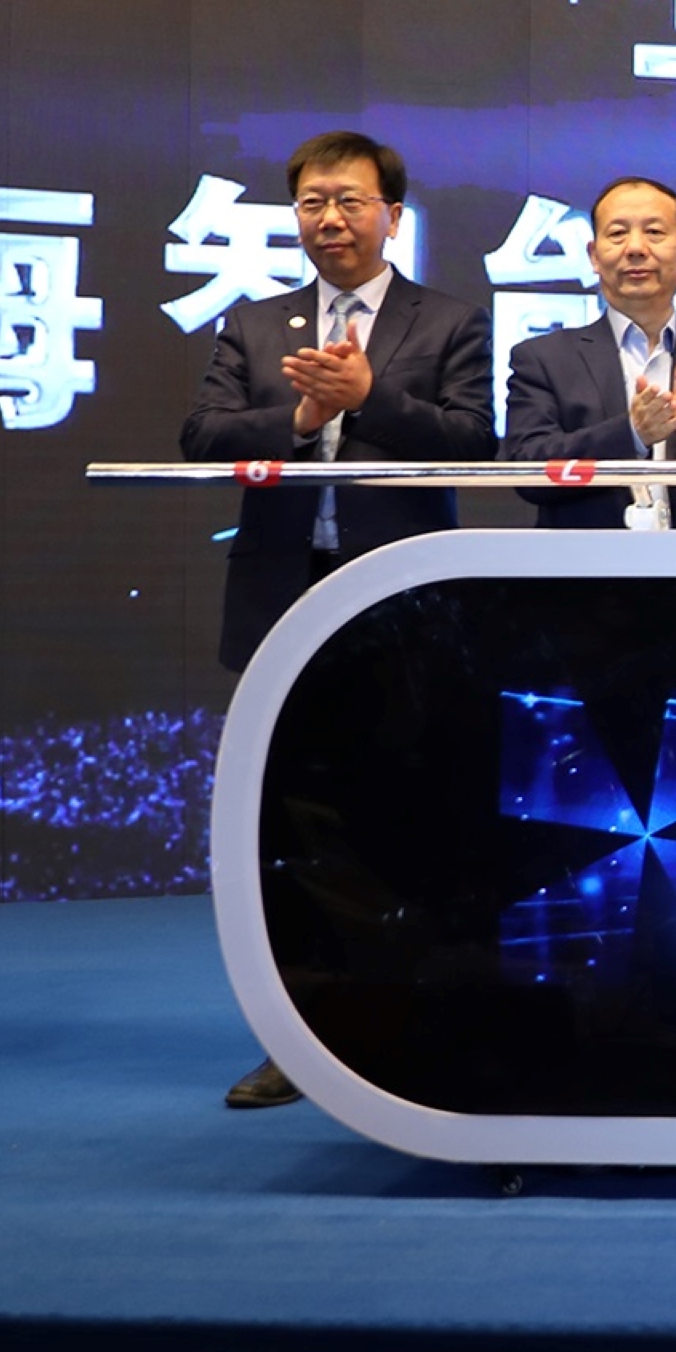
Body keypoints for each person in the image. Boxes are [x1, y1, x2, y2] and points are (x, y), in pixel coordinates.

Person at [176, 128, 492, 1109]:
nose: (330, 219)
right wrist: (301, 422)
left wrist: (371, 399)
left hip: (398, 599)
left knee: (402, 810)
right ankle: (301, 1038)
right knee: (292, 822)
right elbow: (201, 436)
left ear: (392, 213)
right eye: (313, 202)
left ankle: (413, 1023)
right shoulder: (254, 323)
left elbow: (474, 443)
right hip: (284, 595)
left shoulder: (449, 320)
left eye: (350, 201)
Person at [502, 177, 676, 528]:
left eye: (654, 232)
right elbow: (528, 472)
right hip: (584, 560)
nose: (635, 248)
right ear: (593, 255)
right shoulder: (543, 359)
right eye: (617, 234)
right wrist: (631, 433)